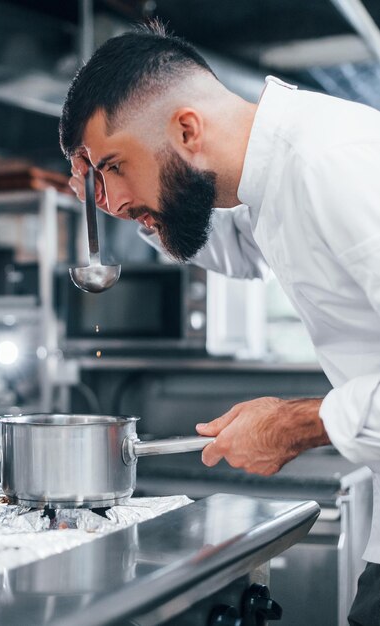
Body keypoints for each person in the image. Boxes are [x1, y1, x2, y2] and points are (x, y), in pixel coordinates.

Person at [60, 21, 380, 626]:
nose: (108, 202)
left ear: (186, 128)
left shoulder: (334, 163)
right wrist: (137, 203)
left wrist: (301, 422)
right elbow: (230, 246)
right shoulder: (273, 179)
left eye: (114, 166)